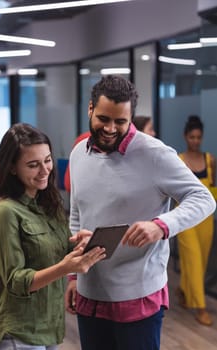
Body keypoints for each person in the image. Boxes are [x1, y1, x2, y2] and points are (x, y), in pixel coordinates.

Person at [64, 75, 216, 350]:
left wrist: (161, 225)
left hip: (138, 295)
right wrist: (74, 276)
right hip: (90, 293)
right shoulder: (77, 155)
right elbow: (77, 214)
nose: (110, 128)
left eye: (120, 121)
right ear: (90, 109)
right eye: (103, 118)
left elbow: (203, 198)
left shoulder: (156, 154)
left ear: (131, 117)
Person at [0, 123, 105, 350]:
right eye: (33, 165)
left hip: (48, 328)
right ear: (11, 168)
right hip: (18, 332)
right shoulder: (3, 213)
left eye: (47, 160)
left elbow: (57, 250)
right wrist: (64, 268)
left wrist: (79, 245)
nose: (44, 170)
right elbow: (15, 281)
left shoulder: (47, 203)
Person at [177, 115, 216, 326]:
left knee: (200, 262)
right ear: (186, 137)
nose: (195, 141)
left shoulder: (210, 160)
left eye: (198, 137)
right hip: (185, 218)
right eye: (192, 137)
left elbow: (214, 189)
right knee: (192, 258)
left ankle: (184, 290)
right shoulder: (179, 160)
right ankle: (201, 308)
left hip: (206, 218)